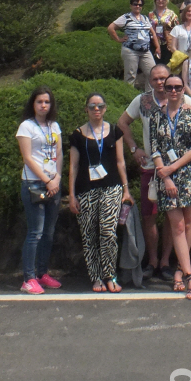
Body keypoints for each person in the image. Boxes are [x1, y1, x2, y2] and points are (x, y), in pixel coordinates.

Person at [116, 64, 191, 281]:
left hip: (178, 168)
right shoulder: (142, 101)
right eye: (156, 79)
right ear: (150, 81)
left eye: (164, 78)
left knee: (174, 217)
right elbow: (122, 123)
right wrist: (134, 148)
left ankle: (166, 261)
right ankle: (152, 260)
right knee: (149, 216)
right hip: (151, 168)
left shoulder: (185, 99)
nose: (160, 83)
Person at [69, 93, 133, 292]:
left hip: (111, 187)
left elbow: (121, 162)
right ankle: (95, 277)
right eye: (92, 106)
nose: (96, 109)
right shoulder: (77, 134)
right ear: (86, 109)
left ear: (105, 108)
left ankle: (110, 274)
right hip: (86, 189)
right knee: (89, 235)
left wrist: (126, 190)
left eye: (100, 106)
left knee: (108, 232)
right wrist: (71, 195)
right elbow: (73, 166)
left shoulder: (115, 131)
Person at [150, 74, 191, 299]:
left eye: (177, 87)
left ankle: (180, 270)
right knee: (177, 226)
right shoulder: (156, 117)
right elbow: (154, 149)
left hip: (188, 174)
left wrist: (173, 168)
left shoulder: (190, 114)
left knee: (188, 224)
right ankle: (190, 276)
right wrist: (166, 175)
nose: (173, 91)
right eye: (169, 87)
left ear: (183, 90)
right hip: (166, 179)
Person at [16, 86, 63, 294]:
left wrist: (57, 177)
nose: (43, 105)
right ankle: (28, 278)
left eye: (47, 102)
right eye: (39, 102)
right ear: (33, 104)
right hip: (34, 183)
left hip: (53, 183)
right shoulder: (26, 127)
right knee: (35, 232)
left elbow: (59, 154)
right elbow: (27, 157)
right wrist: (46, 179)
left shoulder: (54, 126)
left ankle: (42, 273)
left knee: (49, 233)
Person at [108, 0, 161, 87]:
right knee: (130, 75)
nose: (137, 6)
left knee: (152, 73)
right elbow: (111, 28)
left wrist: (157, 47)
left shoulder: (145, 18)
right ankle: (129, 97)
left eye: (140, 5)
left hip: (145, 51)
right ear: (131, 5)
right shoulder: (125, 17)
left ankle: (150, 96)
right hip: (131, 50)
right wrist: (118, 39)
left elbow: (152, 33)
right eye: (135, 4)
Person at [149, 0, 179, 64]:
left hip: (167, 43)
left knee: (167, 65)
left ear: (167, 1)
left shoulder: (172, 14)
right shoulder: (150, 14)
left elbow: (176, 29)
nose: (160, 1)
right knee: (155, 64)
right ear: (155, 1)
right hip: (154, 43)